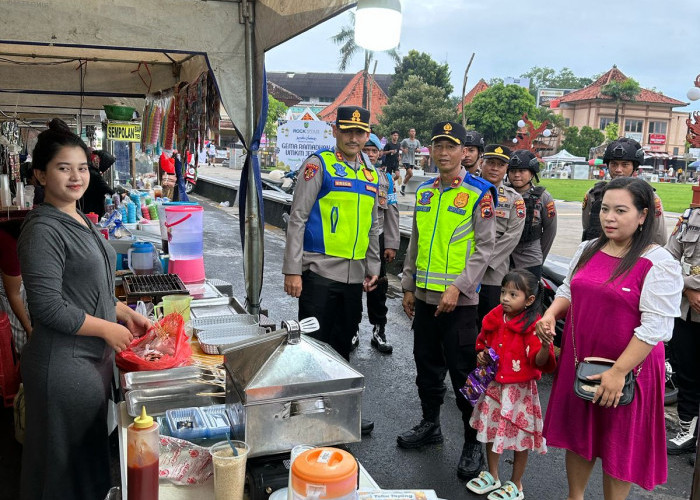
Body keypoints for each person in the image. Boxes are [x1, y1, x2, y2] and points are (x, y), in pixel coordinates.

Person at [17, 118, 151, 500]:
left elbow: (85, 289)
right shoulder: (43, 229)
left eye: (81, 167)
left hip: (89, 364)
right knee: (62, 474)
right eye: (63, 168)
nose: (76, 177)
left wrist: (123, 313)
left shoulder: (75, 215)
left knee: (86, 466)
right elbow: (48, 307)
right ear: (41, 175)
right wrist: (107, 329)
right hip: (63, 367)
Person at [537, 177, 683, 498]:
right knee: (581, 437)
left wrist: (618, 372)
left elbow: (655, 328)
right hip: (583, 361)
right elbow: (567, 291)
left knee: (619, 445)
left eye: (620, 210)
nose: (609, 218)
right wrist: (550, 314)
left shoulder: (659, 263)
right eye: (604, 210)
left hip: (631, 370)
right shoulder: (588, 249)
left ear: (643, 215)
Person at [400, 120, 497, 481]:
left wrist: (459, 287)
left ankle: (472, 441)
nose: (443, 153)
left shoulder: (479, 192)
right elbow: (417, 244)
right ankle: (430, 425)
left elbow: (485, 248)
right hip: (425, 298)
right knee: (425, 364)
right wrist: (408, 285)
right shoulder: (424, 191)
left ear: (464, 152)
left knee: (464, 373)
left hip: (461, 303)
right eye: (438, 146)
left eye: (451, 147)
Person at [282, 106, 379, 435]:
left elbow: (372, 225)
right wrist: (292, 270)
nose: (354, 137)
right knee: (313, 346)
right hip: (319, 273)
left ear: (367, 135)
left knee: (343, 346)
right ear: (335, 131)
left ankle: (340, 412)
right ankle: (308, 414)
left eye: (360, 132)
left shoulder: (371, 173)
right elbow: (297, 218)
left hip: (354, 278)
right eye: (347, 130)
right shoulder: (318, 164)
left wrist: (373, 266)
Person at [467, 269, 556, 500]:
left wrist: (546, 346)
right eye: (503, 292)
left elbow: (538, 362)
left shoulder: (534, 325)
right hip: (495, 386)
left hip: (519, 391)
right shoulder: (496, 317)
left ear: (529, 300)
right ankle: (493, 475)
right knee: (490, 430)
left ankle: (516, 483)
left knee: (520, 438)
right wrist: (482, 355)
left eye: (513, 294)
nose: (505, 298)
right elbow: (483, 344)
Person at [351, 133, 399, 354]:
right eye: (366, 150)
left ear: (380, 153)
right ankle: (352, 329)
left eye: (374, 151)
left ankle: (379, 330)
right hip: (352, 237)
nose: (370, 154)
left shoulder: (385, 179)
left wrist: (391, 243)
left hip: (377, 237)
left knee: (378, 287)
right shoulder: (351, 173)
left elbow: (392, 212)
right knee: (351, 286)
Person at [582, 138, 667, 245]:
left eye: (625, 164)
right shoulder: (594, 195)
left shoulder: (648, 197)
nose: (618, 169)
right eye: (614, 164)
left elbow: (659, 238)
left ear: (634, 167)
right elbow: (586, 227)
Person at [665, 201, 700, 455]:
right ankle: (687, 432)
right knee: (686, 373)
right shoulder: (690, 217)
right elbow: (668, 257)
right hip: (687, 309)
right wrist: (688, 289)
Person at [478, 145, 525, 325]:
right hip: (463, 265)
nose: (495, 168)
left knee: (488, 322)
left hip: (493, 271)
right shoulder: (469, 192)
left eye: (500, 164)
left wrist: (485, 261)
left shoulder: (515, 199)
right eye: (490, 163)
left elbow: (513, 235)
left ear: (506, 169)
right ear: (482, 163)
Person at [508, 150, 558, 281]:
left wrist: (539, 258)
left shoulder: (543, 197)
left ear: (531, 173)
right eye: (512, 171)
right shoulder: (502, 194)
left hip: (530, 260)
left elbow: (550, 231)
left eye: (522, 171)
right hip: (503, 260)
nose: (516, 175)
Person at [0, 218, 31, 355]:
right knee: (18, 329)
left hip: (11, 270)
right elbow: (13, 294)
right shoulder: (11, 246)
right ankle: (19, 359)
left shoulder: (27, 229)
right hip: (6, 280)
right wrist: (28, 328)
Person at [400, 128, 421, 195]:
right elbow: (399, 146)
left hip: (412, 160)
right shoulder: (405, 141)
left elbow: (419, 149)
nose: (413, 132)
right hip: (405, 159)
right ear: (409, 132)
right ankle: (403, 187)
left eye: (414, 131)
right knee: (411, 174)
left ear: (415, 133)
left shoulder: (417, 141)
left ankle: (402, 189)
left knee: (407, 174)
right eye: (411, 131)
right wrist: (403, 150)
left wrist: (418, 150)